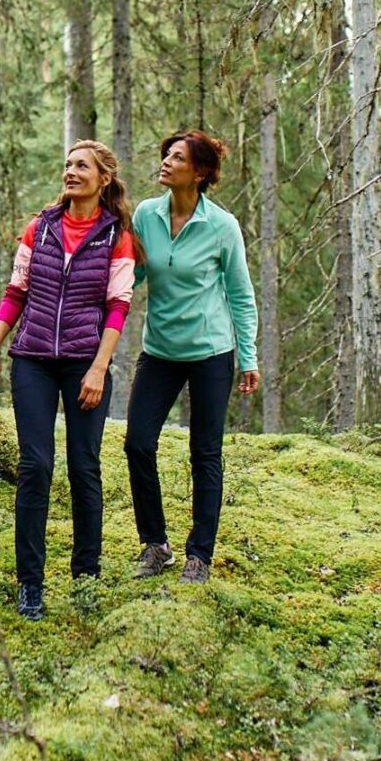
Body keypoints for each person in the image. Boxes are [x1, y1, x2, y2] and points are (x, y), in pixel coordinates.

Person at [0, 140, 140, 620]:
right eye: (68, 165)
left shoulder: (116, 236)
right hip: (31, 360)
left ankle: (85, 578)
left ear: (103, 178)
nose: (71, 172)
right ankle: (30, 584)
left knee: (84, 467)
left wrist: (98, 367)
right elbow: (16, 292)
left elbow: (118, 307)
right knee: (35, 467)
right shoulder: (41, 228)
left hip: (84, 363)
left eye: (82, 166)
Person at [124, 130, 259, 585]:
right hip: (159, 351)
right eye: (166, 154)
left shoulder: (222, 226)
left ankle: (199, 555)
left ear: (199, 173)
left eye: (176, 157)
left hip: (209, 353)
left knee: (205, 453)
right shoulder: (146, 214)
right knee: (137, 443)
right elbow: (136, 274)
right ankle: (156, 544)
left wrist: (249, 356)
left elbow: (240, 294)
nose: (165, 162)